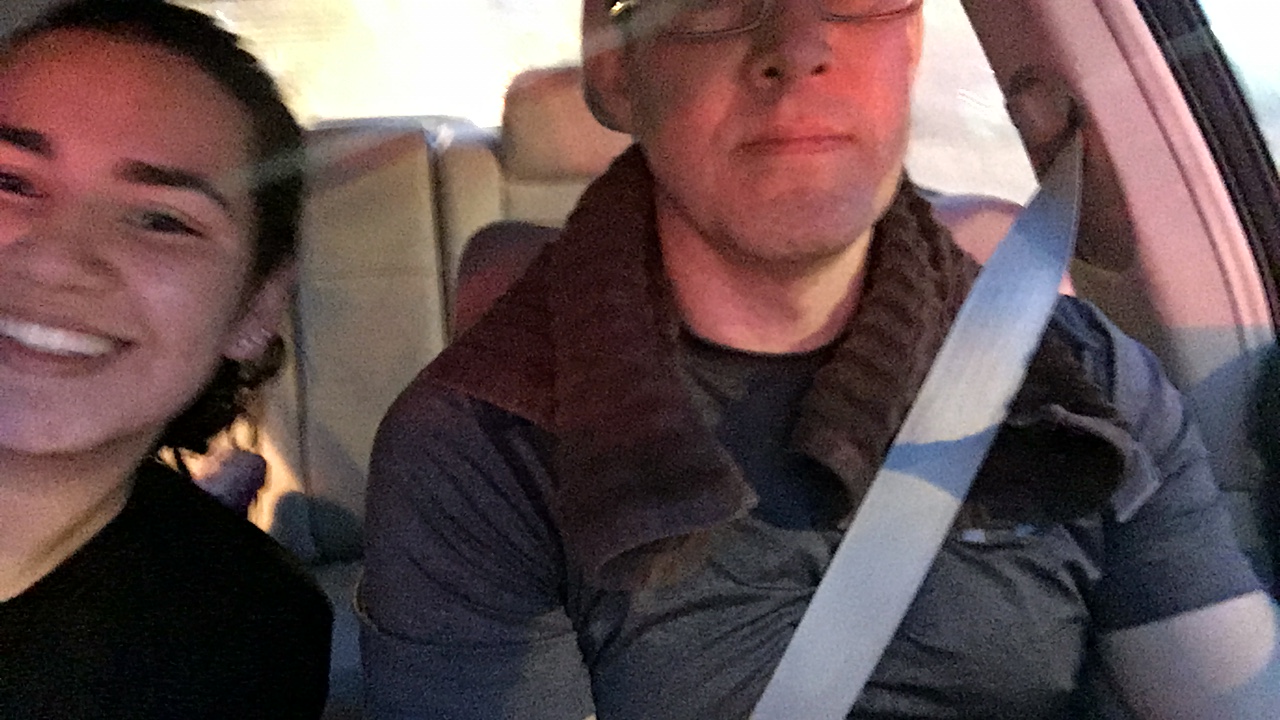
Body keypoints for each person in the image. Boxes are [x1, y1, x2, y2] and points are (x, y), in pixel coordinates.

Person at [359, 0, 1280, 717]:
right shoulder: (483, 446)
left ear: (910, 42)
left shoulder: (1077, 388)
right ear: (616, 66)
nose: (798, 44)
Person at [0, 1, 332, 717]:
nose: (57, 260)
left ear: (254, 309)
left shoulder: (242, 634)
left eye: (162, 220)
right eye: (10, 182)